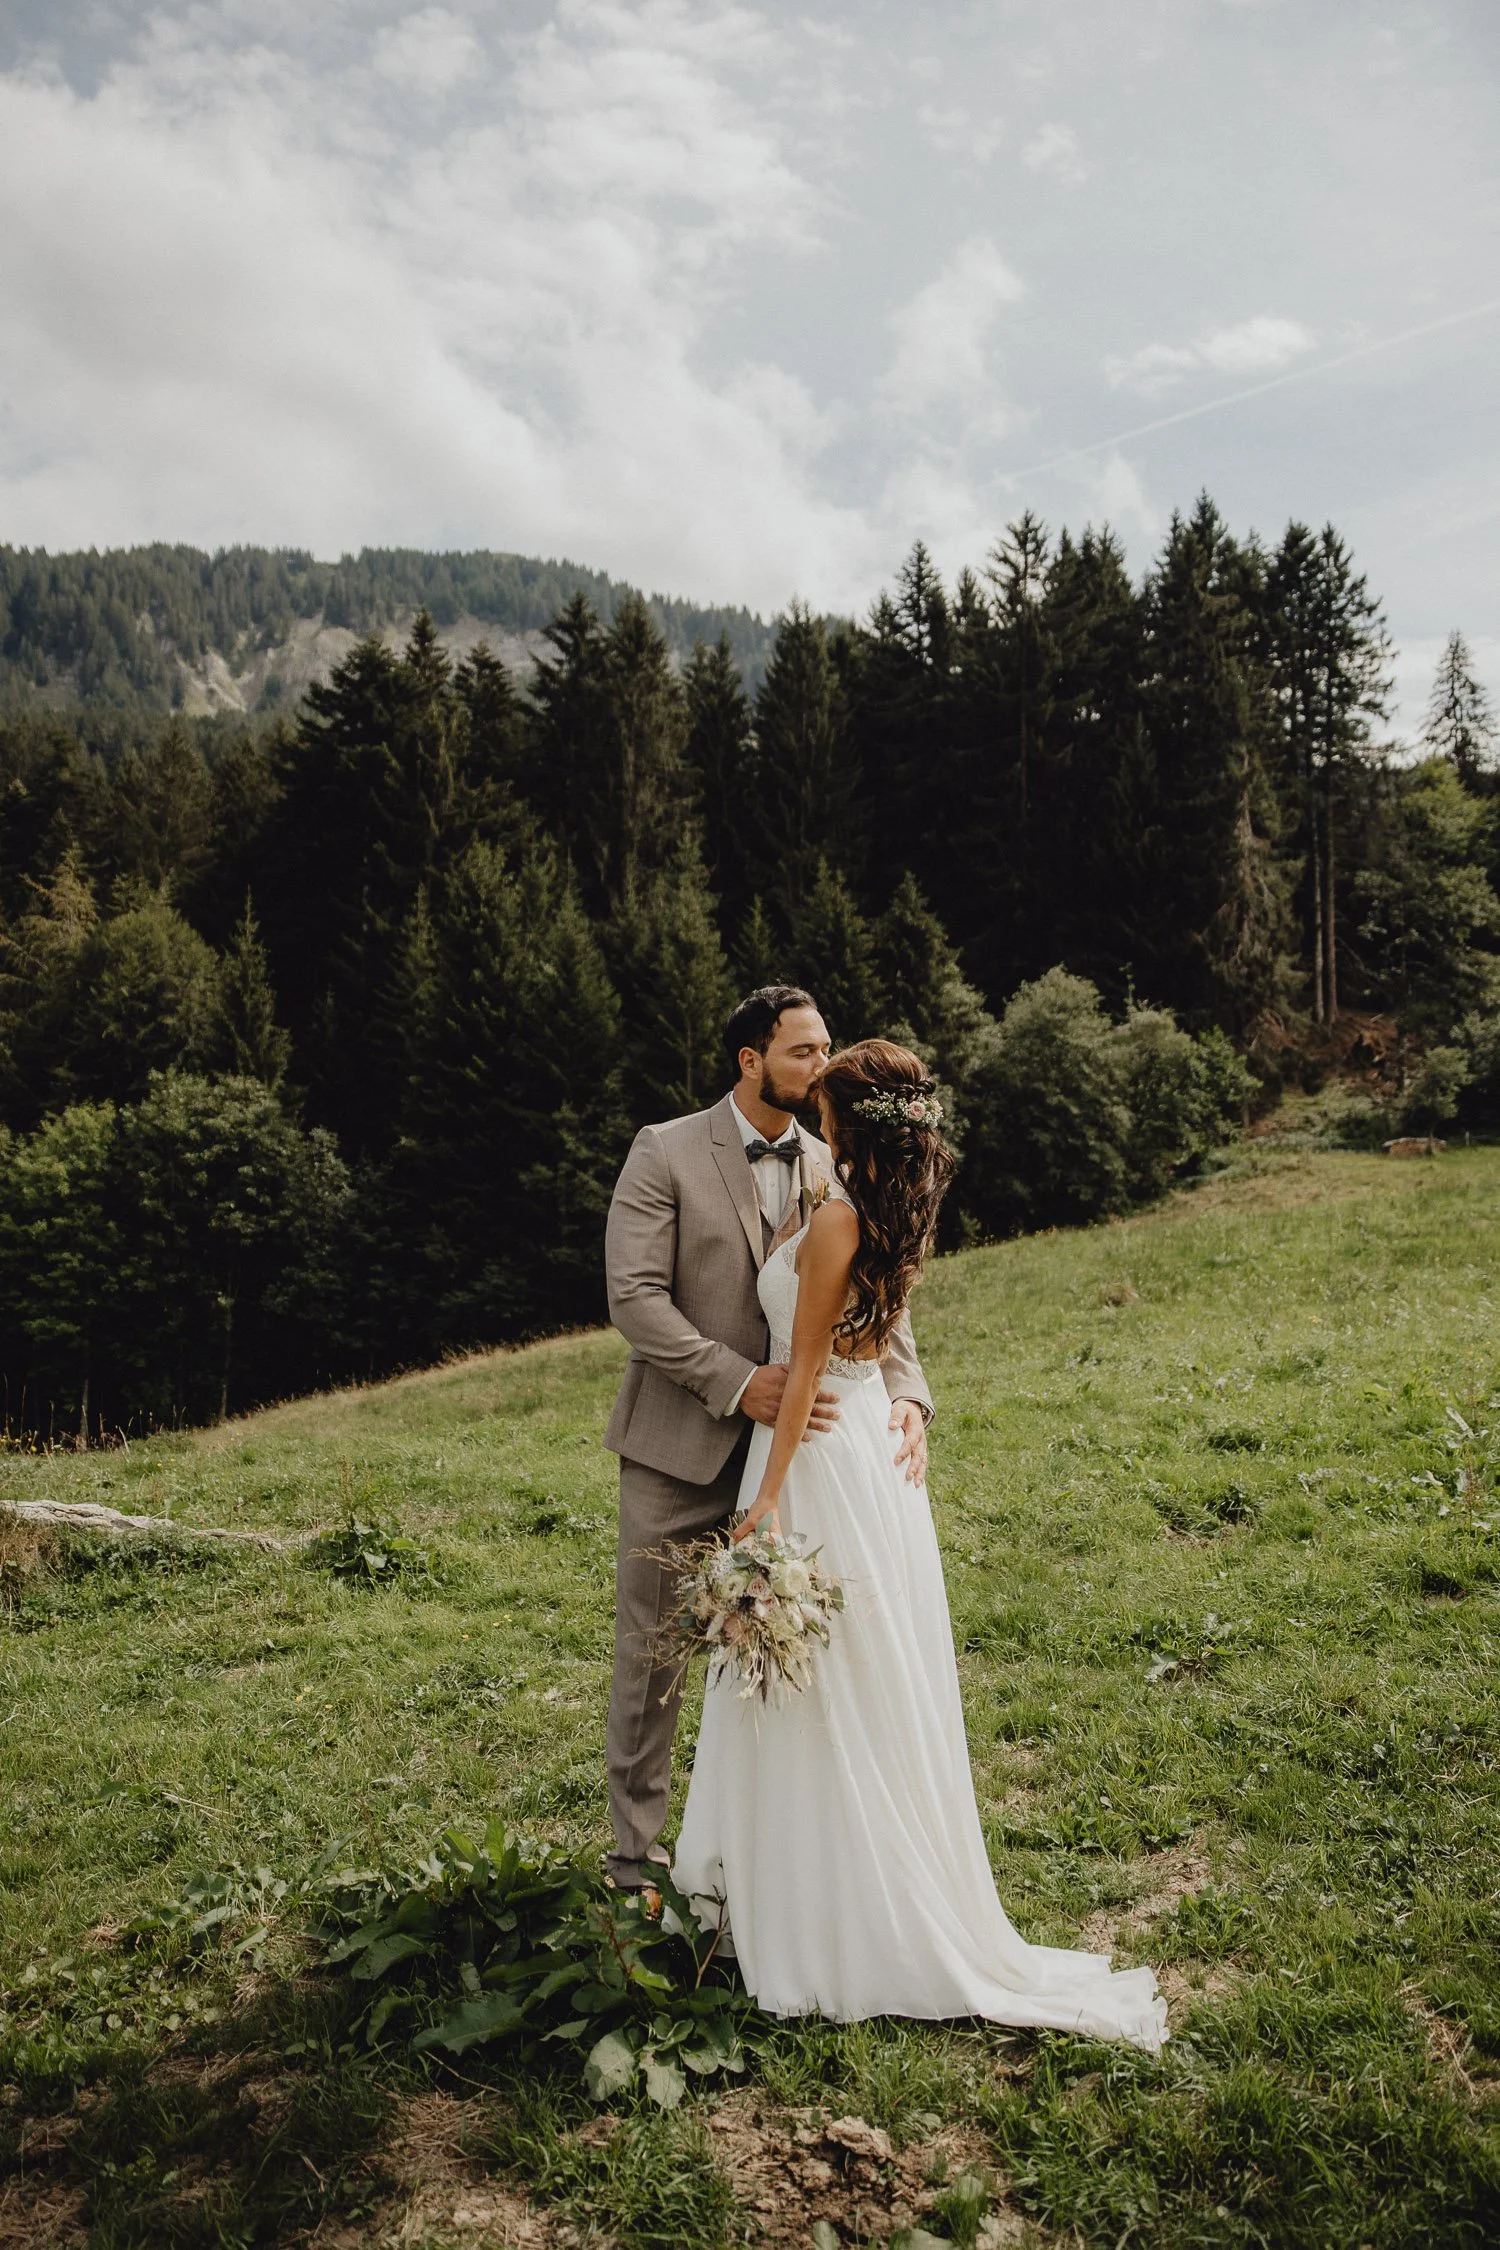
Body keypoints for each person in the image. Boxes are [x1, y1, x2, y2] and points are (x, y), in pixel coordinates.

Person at [671, 1037, 1168, 2050]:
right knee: (849, 1675)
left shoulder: (840, 1217)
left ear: (843, 1124)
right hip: (870, 1463)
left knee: (815, 1682)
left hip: (815, 1457)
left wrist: (762, 1504)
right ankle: (803, 1885)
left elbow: (802, 1368)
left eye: (825, 1102)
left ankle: (817, 1913)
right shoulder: (895, 1210)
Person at [603, 987, 932, 1892]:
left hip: (806, 1462)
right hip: (682, 1445)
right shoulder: (664, 1150)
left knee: (807, 1660)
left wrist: (909, 1394)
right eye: (802, 1051)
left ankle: (776, 1863)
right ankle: (634, 1859)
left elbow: (879, 1296)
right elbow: (633, 1297)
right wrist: (739, 1382)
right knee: (652, 1659)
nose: (820, 1066)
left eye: (827, 1049)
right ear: (750, 1059)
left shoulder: (839, 1159)